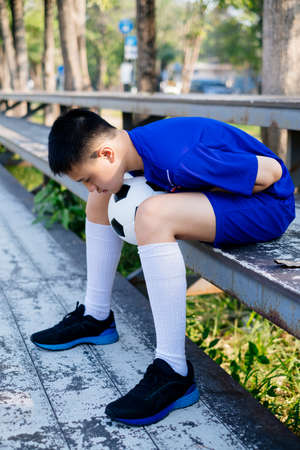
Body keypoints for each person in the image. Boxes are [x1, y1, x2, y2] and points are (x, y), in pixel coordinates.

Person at [30, 108, 295, 426]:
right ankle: (95, 315)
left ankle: (173, 371)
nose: (89, 185)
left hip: (268, 207)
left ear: (107, 154)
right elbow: (115, 185)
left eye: (88, 177)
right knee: (101, 199)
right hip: (227, 198)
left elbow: (271, 173)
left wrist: (202, 191)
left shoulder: (180, 158)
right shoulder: (134, 148)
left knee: (153, 214)